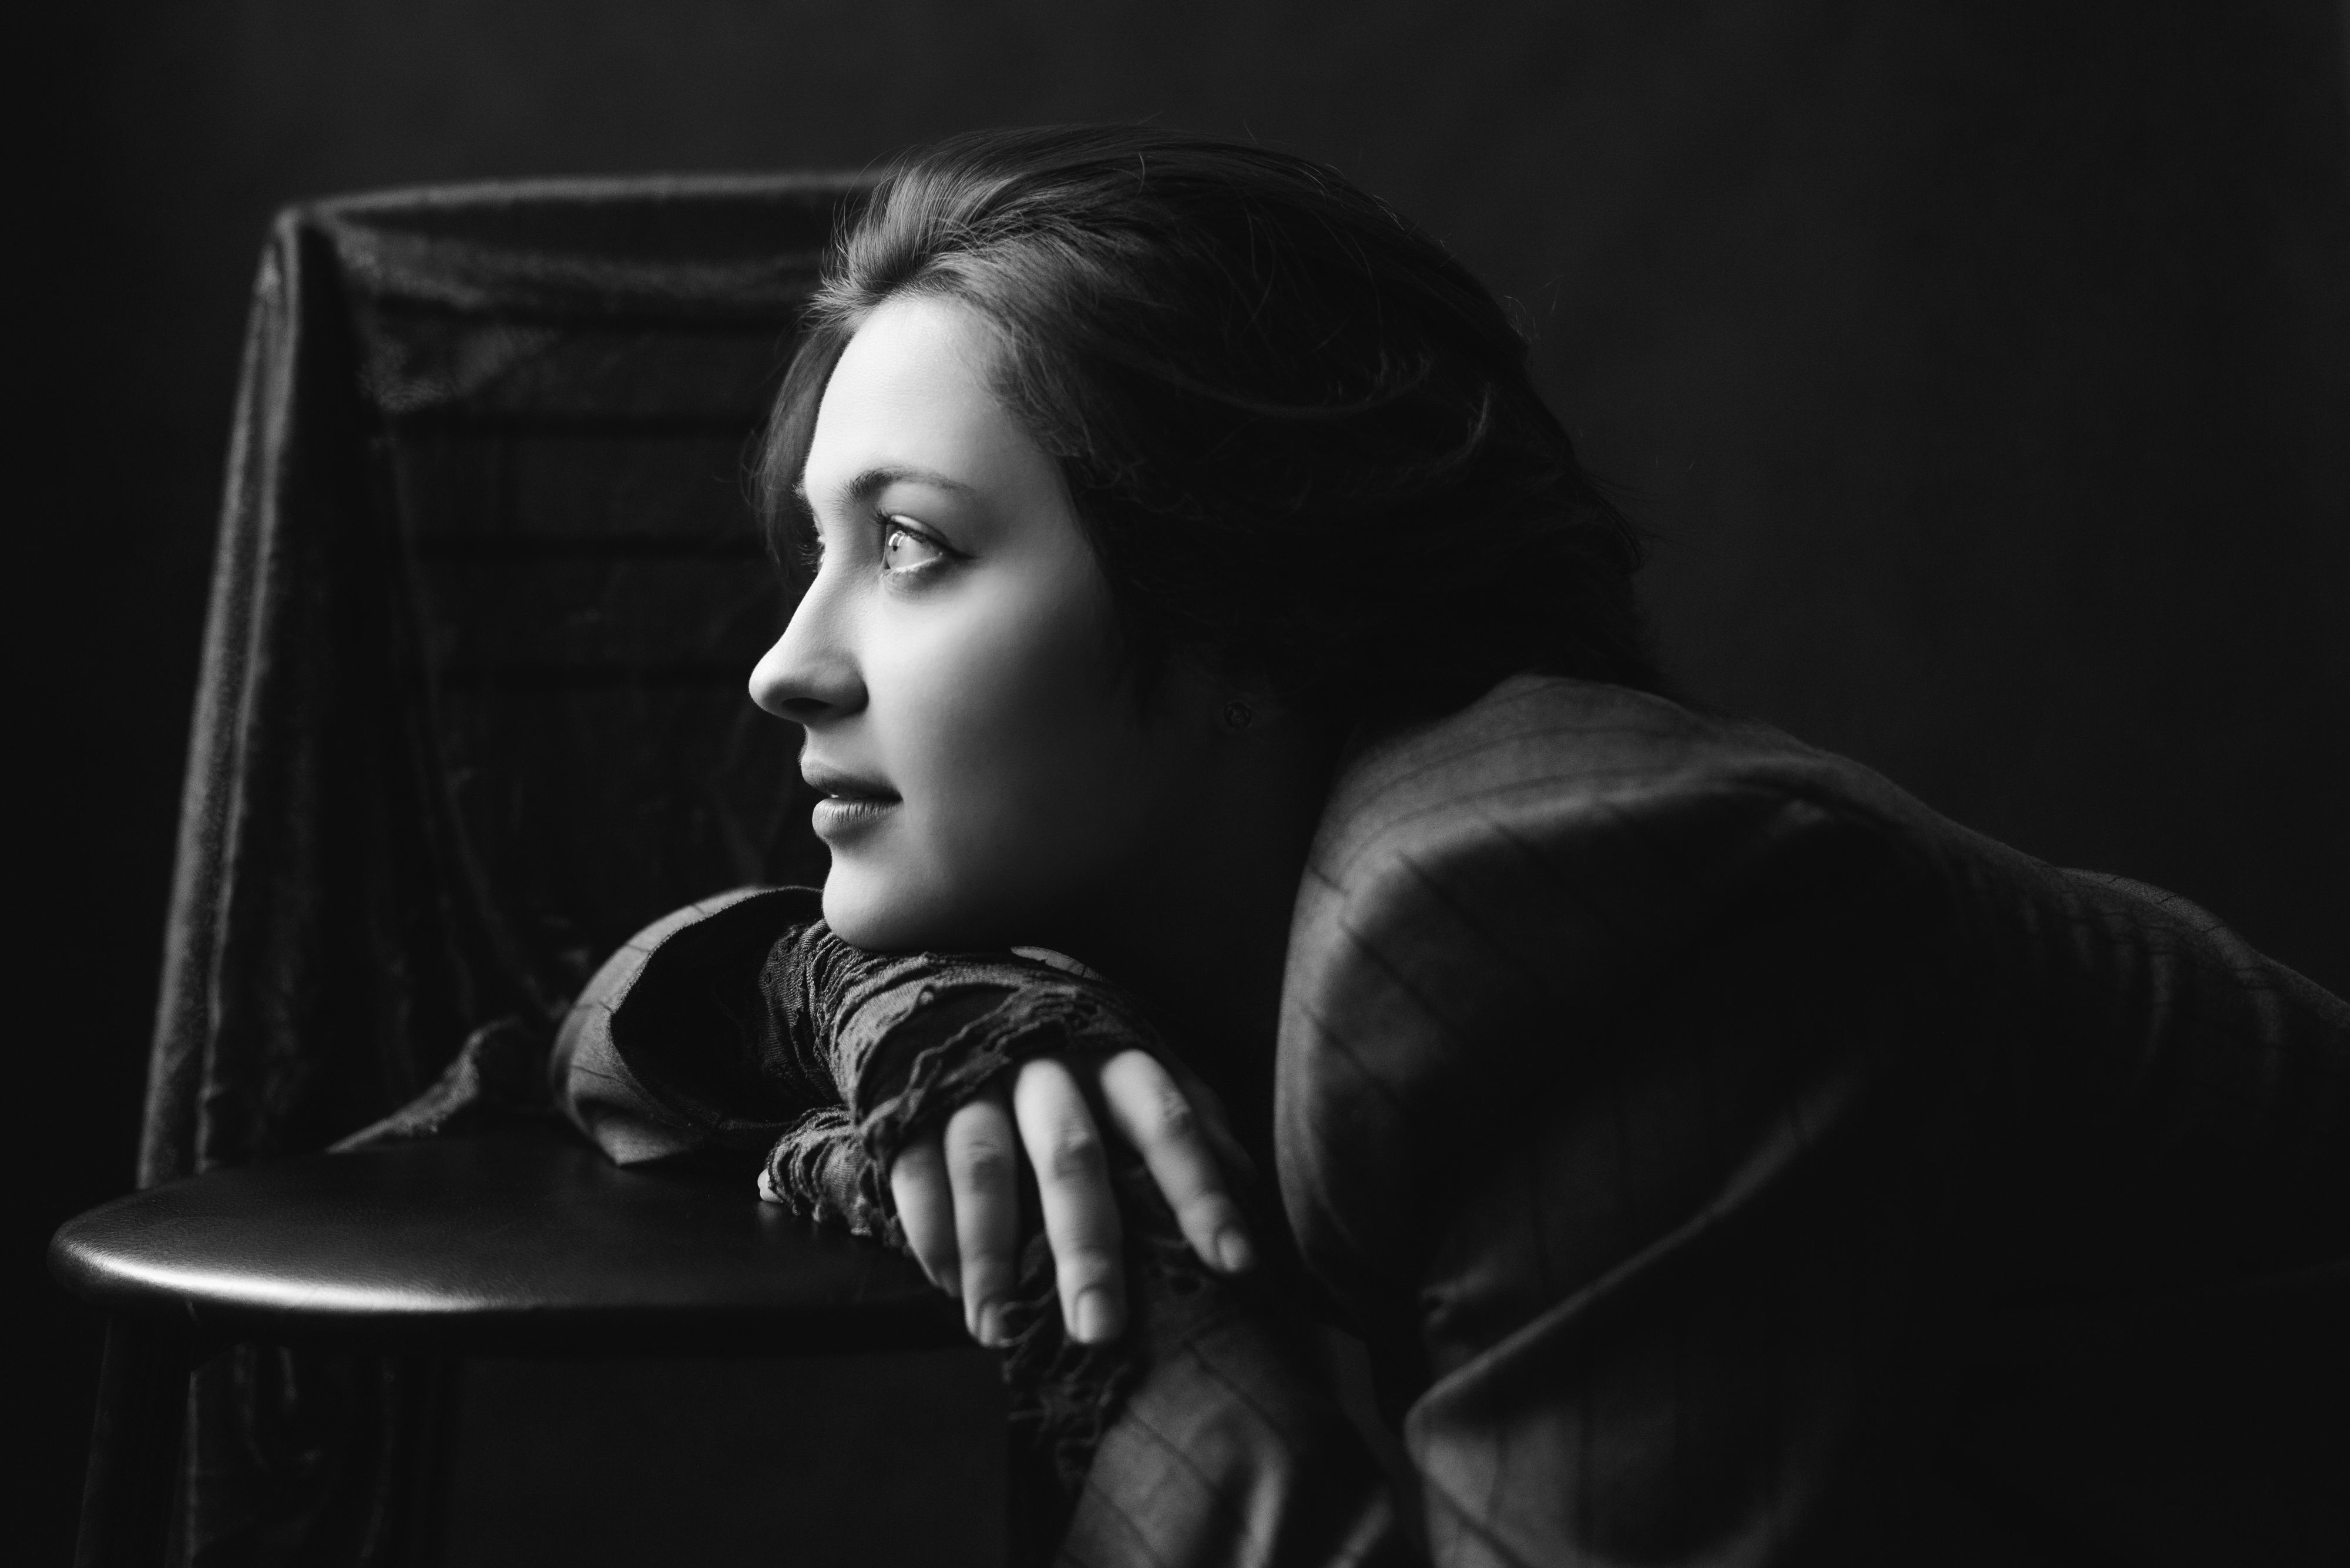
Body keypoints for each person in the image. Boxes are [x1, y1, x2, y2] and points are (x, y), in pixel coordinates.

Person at [550, 125, 2349, 1567]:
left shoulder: (1561, 904)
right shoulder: (1158, 909)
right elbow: (590, 1042)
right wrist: (922, 1019)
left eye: (914, 548)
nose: (789, 664)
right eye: (816, 549)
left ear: (1242, 603)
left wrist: (1111, 1296)